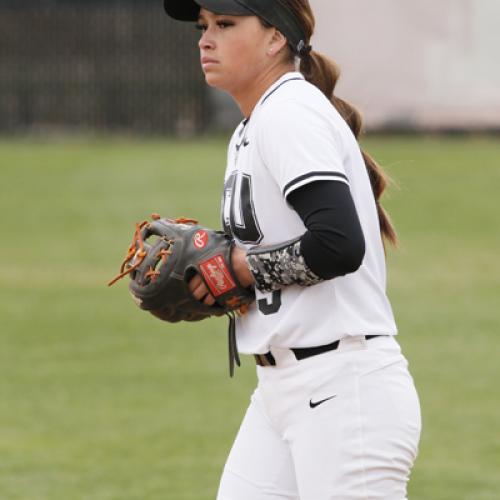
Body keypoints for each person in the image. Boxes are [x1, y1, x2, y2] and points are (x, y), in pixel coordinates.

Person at [163, 1, 421, 499]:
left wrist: (238, 268)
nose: (205, 39)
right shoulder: (253, 126)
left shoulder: (289, 113)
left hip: (346, 395)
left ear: (275, 37)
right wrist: (220, 285)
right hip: (283, 393)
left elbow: (338, 244)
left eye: (225, 24)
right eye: (203, 26)